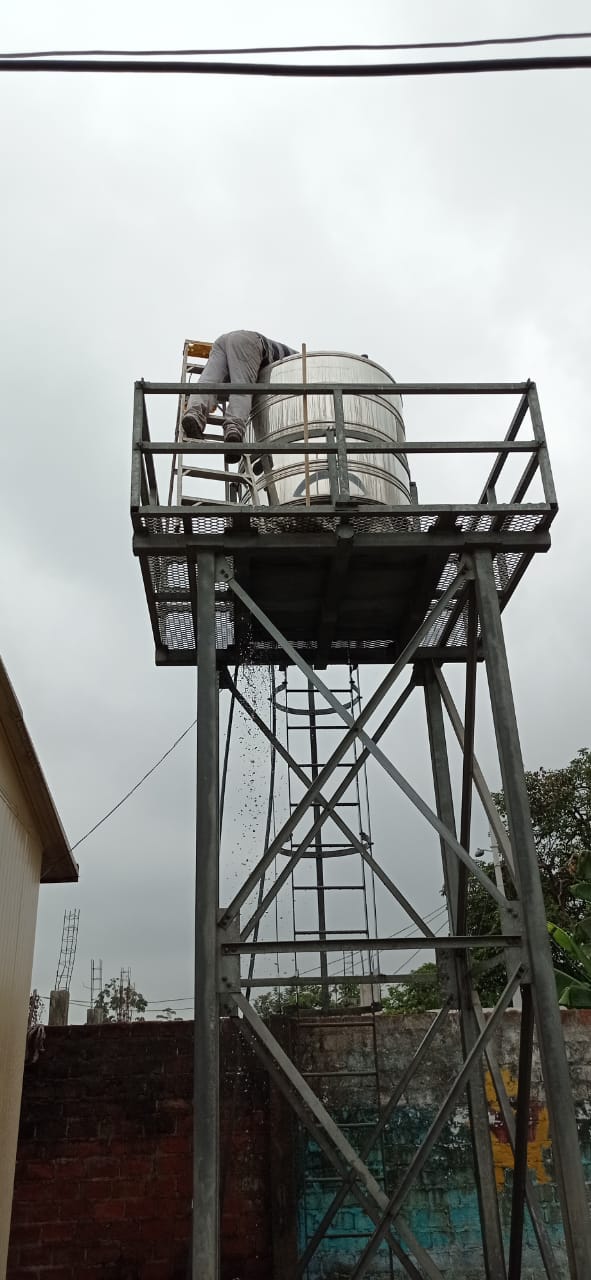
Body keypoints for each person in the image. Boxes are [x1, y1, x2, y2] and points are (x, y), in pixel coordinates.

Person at [181, 329, 296, 444]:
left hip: (222, 341)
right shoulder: (299, 362)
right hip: (247, 342)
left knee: (208, 381)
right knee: (242, 387)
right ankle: (234, 428)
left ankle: (194, 414)